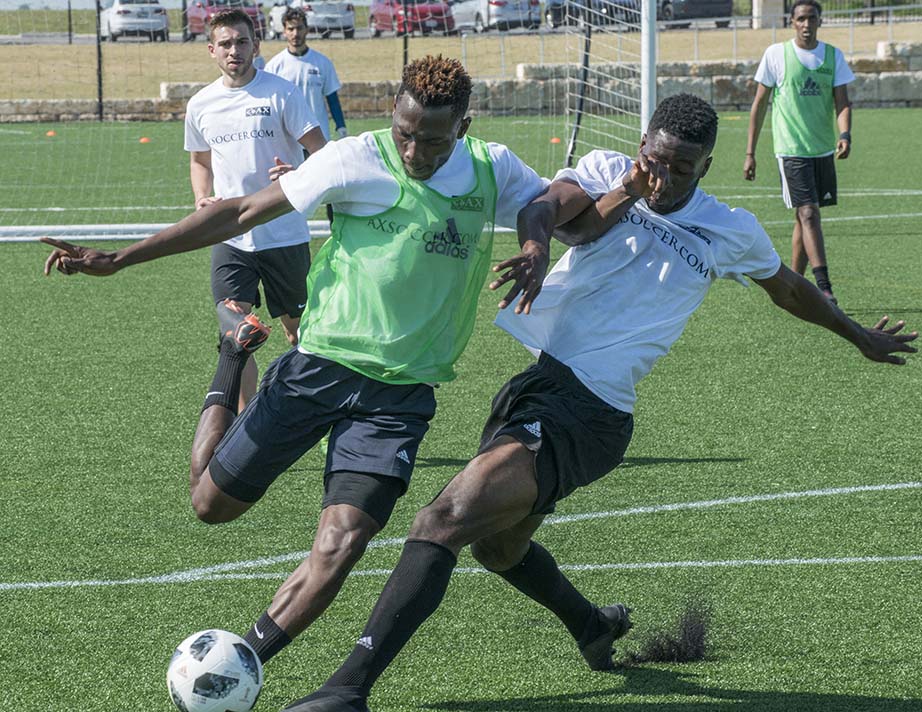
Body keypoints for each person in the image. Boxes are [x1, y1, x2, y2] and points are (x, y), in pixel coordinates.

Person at [282, 93, 917, 712]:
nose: (664, 178)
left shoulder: (731, 229)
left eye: (682, 169)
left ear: (706, 168)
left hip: (593, 412)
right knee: (497, 549)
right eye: (658, 160)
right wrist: (538, 245)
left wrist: (858, 335)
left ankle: (347, 689)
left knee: (441, 519)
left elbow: (788, 290)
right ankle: (592, 625)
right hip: (535, 386)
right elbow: (547, 211)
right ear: (643, 144)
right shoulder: (607, 172)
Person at [42, 56, 579, 678]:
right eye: (405, 130)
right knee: (210, 505)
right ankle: (231, 358)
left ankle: (242, 663)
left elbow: (554, 197)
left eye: (432, 139)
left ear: (464, 125)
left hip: (398, 399)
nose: (414, 148)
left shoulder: (490, 167)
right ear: (393, 115)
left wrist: (536, 238)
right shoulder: (355, 157)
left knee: (343, 543)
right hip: (316, 368)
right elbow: (241, 212)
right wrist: (121, 258)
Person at [186, 8, 326, 409]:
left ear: (256, 46)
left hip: (283, 233)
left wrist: (298, 171)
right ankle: (248, 424)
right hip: (230, 235)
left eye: (242, 42)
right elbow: (199, 160)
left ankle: (312, 409)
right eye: (226, 44)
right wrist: (202, 197)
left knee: (300, 333)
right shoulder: (201, 104)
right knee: (235, 334)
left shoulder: (281, 92)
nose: (234, 50)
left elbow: (322, 152)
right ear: (212, 50)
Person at [744, 0, 854, 305]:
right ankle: (824, 288)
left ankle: (792, 285)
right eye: (801, 18)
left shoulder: (833, 56)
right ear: (792, 22)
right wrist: (749, 153)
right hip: (790, 150)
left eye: (812, 18)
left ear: (820, 21)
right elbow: (759, 105)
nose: (807, 24)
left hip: (822, 150)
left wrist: (845, 134)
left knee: (803, 218)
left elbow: (842, 101)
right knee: (808, 213)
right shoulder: (776, 55)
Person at [265, 8, 348, 142]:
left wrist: (341, 126)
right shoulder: (274, 66)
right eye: (291, 29)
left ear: (307, 29)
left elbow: (332, 99)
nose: (295, 33)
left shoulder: (322, 63)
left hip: (318, 137)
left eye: (299, 28)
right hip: (288, 140)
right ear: (284, 31)